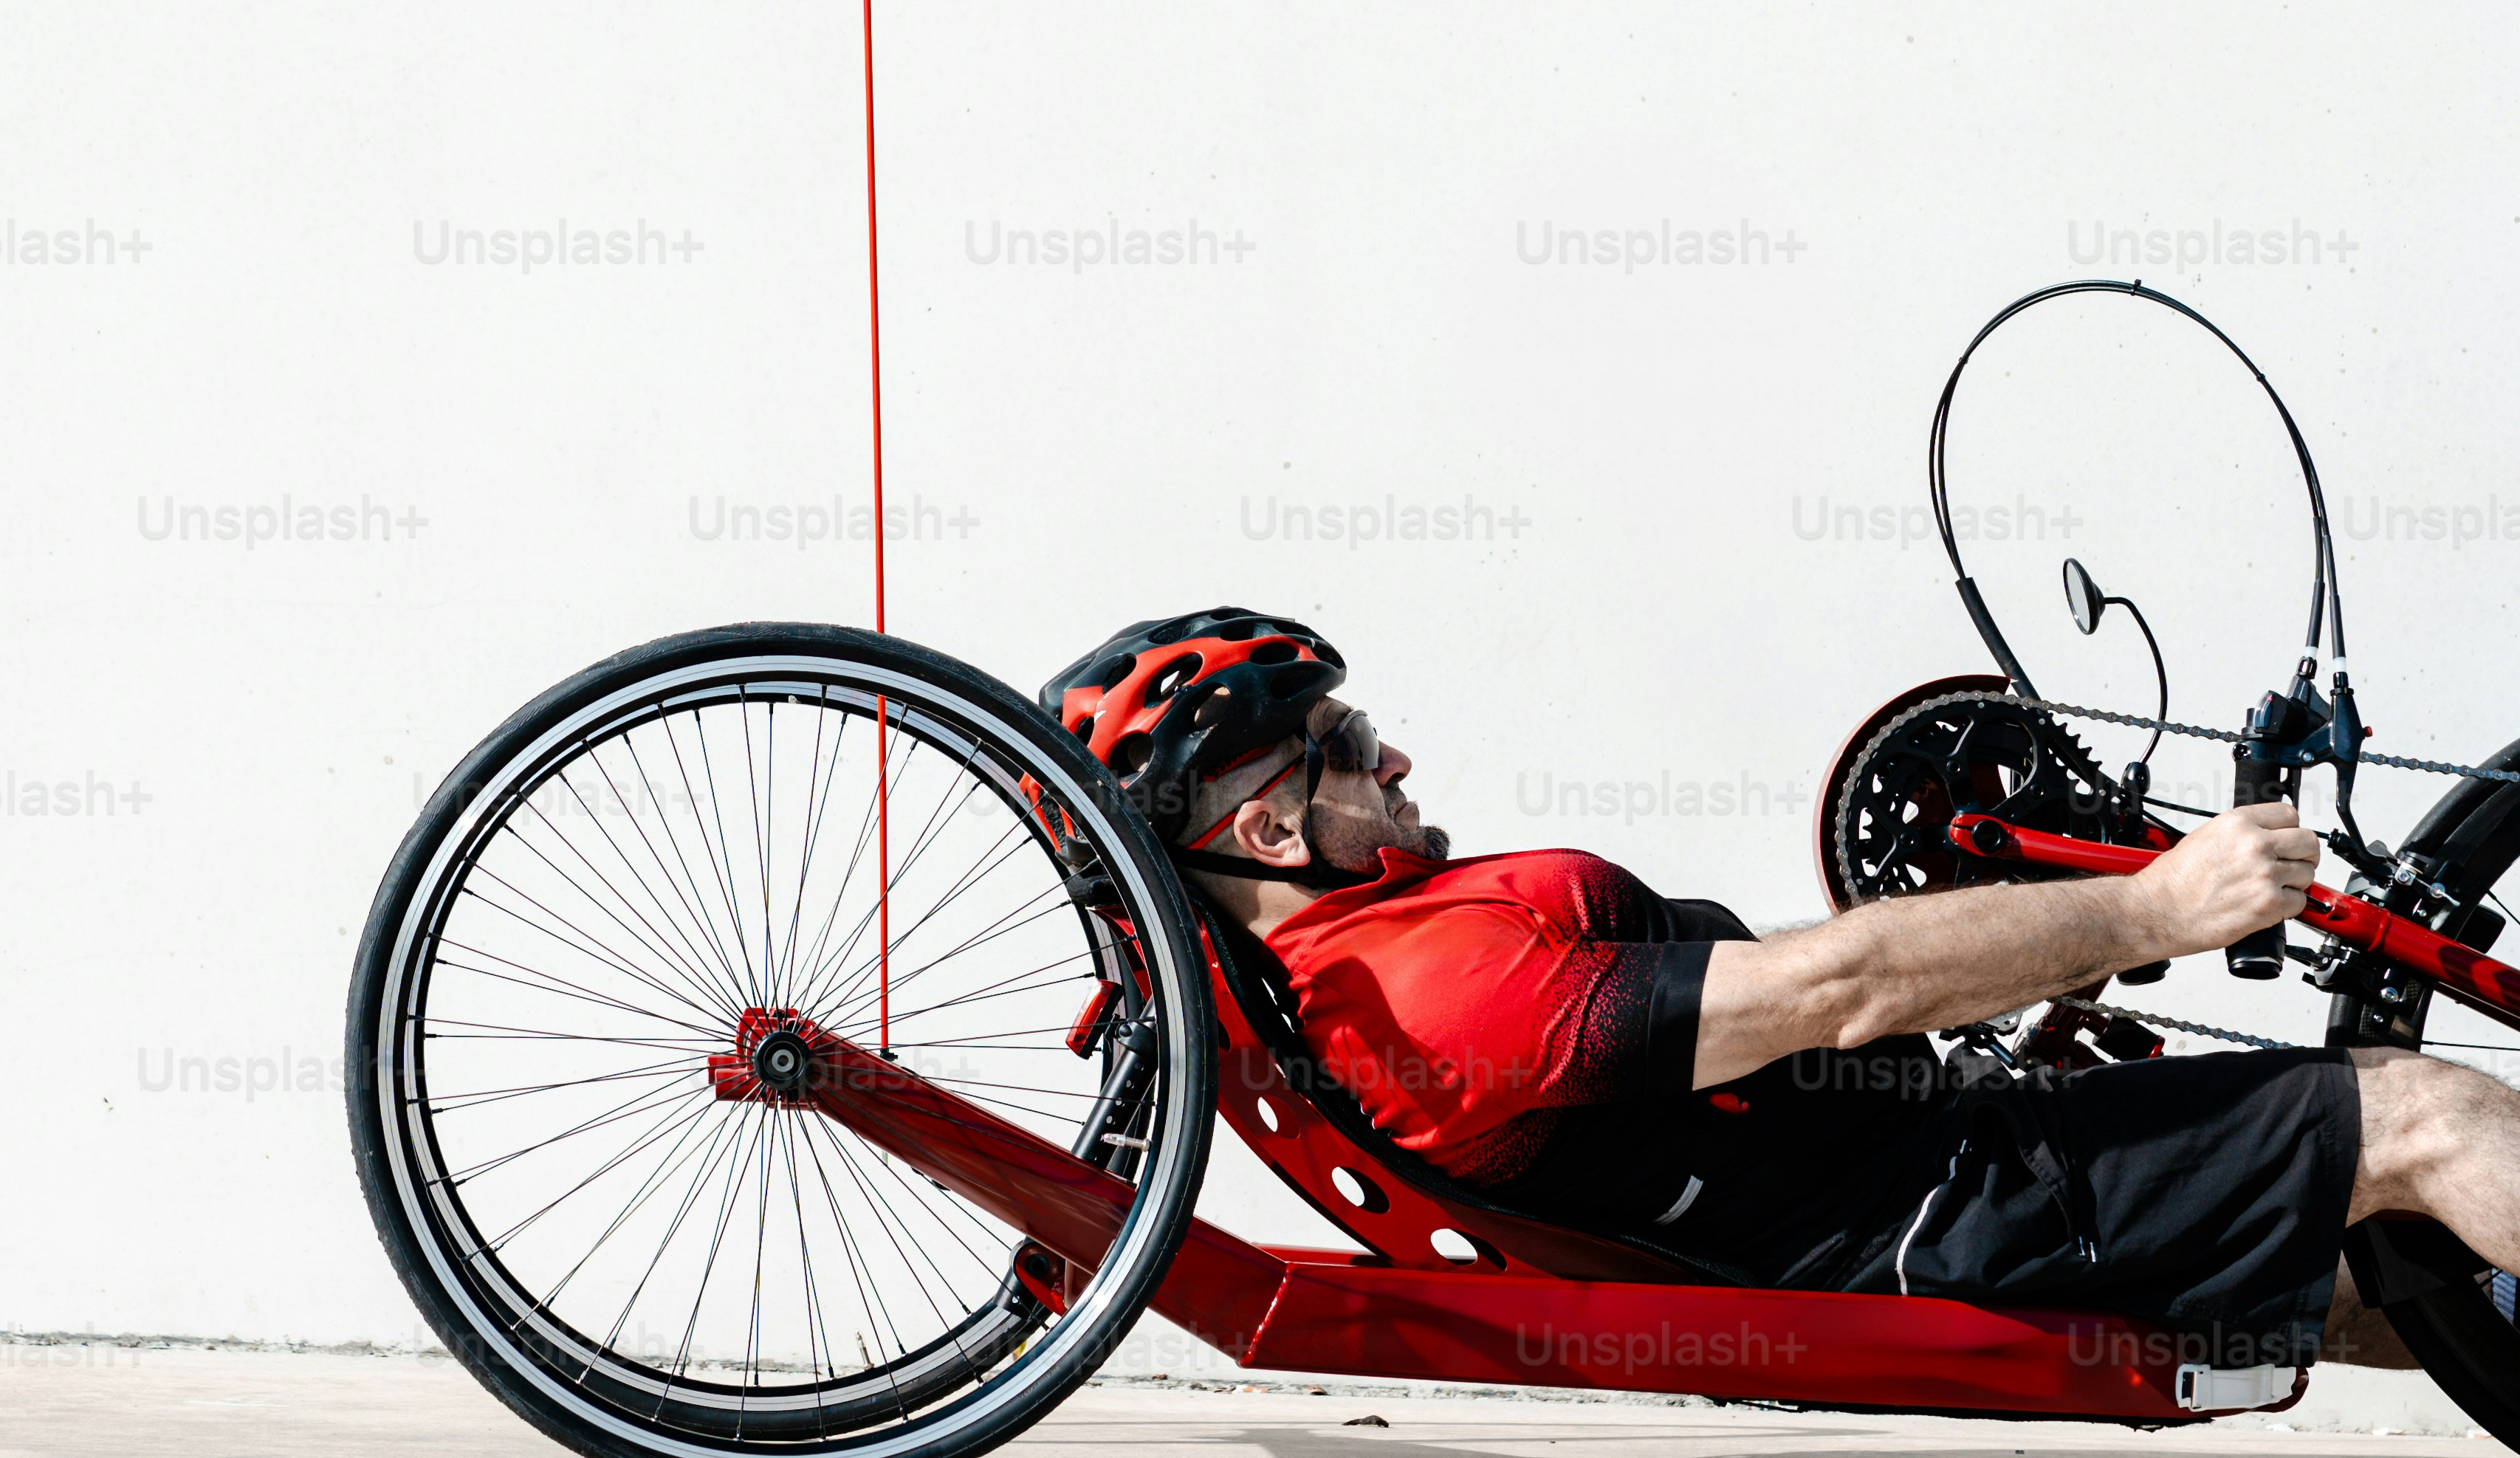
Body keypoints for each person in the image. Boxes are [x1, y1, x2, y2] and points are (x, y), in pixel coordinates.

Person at [1046, 609, 2517, 1374]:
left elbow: (1788, 1021)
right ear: (1267, 831)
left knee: (2400, 1268)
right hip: (1939, 1211)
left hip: (1928, 1162)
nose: (1393, 759)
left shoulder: (1389, 949)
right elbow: (1833, 989)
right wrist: (2156, 906)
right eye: (1348, 741)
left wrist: (2028, 957)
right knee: (2422, 1119)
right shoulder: (1425, 993)